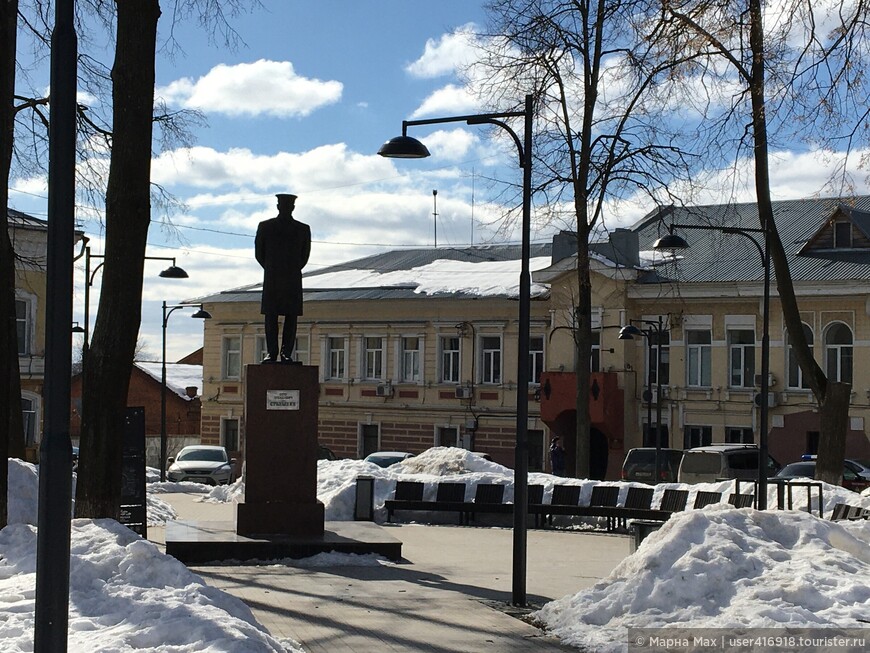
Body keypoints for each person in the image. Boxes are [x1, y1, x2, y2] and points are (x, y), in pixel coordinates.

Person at [255, 193, 311, 363]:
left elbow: (304, 256)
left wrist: (290, 269)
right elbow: (259, 254)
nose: (285, 208)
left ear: (293, 207)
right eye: (282, 205)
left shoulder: (302, 229)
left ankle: (286, 353)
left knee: (291, 317)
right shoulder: (266, 227)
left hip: (292, 278)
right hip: (272, 278)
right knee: (270, 316)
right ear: (278, 207)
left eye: (288, 205)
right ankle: (272, 352)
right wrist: (273, 268)